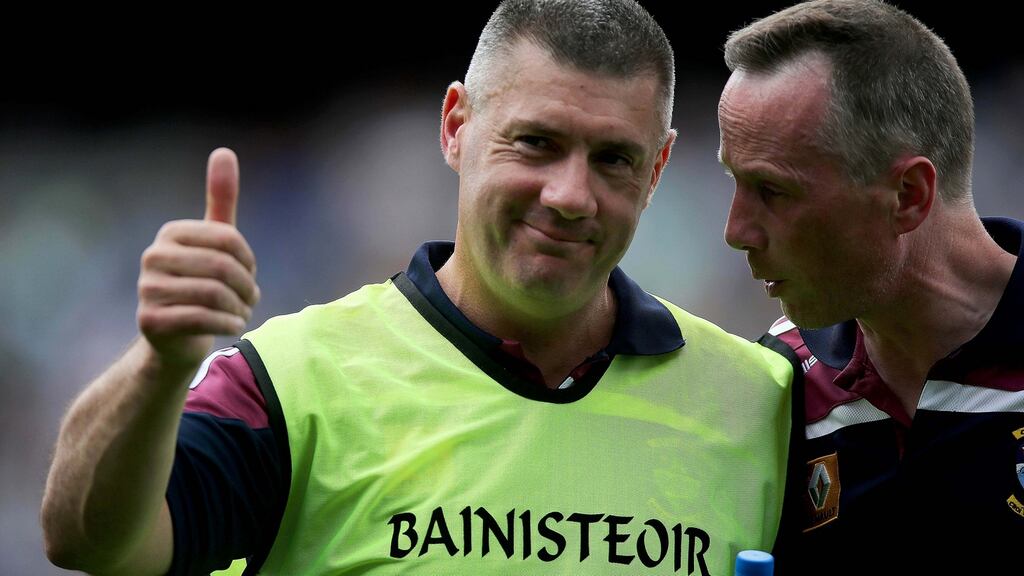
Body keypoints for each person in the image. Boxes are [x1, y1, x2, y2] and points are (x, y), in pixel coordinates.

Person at [41, 1, 796, 574]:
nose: (571, 194)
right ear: (455, 126)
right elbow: (89, 539)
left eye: (613, 160)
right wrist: (158, 364)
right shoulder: (295, 383)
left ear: (659, 170)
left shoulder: (761, 399)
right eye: (537, 143)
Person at [718, 0, 1024, 573]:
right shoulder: (779, 381)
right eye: (734, 180)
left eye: (774, 191)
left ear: (907, 195)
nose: (735, 232)